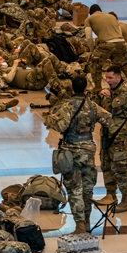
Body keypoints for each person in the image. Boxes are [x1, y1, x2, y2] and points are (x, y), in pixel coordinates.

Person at [44, 76, 113, 235]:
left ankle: (80, 227)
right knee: (87, 189)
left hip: (72, 152)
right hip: (88, 151)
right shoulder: (92, 105)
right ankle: (87, 223)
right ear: (86, 89)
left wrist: (50, 119)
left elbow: (60, 125)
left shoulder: (67, 106)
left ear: (71, 88)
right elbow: (109, 120)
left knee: (75, 190)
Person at [93, 66, 127, 212]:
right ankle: (110, 194)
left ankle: (126, 200)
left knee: (121, 167)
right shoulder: (112, 91)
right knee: (106, 164)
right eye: (107, 78)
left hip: (120, 136)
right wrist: (100, 94)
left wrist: (104, 98)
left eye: (110, 78)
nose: (108, 81)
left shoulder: (125, 93)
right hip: (107, 133)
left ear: (119, 77)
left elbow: (108, 109)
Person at [84, 5, 127, 90]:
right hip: (120, 42)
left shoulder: (89, 19)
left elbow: (88, 37)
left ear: (90, 13)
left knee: (95, 64)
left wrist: (92, 51)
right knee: (123, 63)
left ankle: (98, 87)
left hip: (106, 43)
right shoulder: (111, 17)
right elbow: (119, 30)